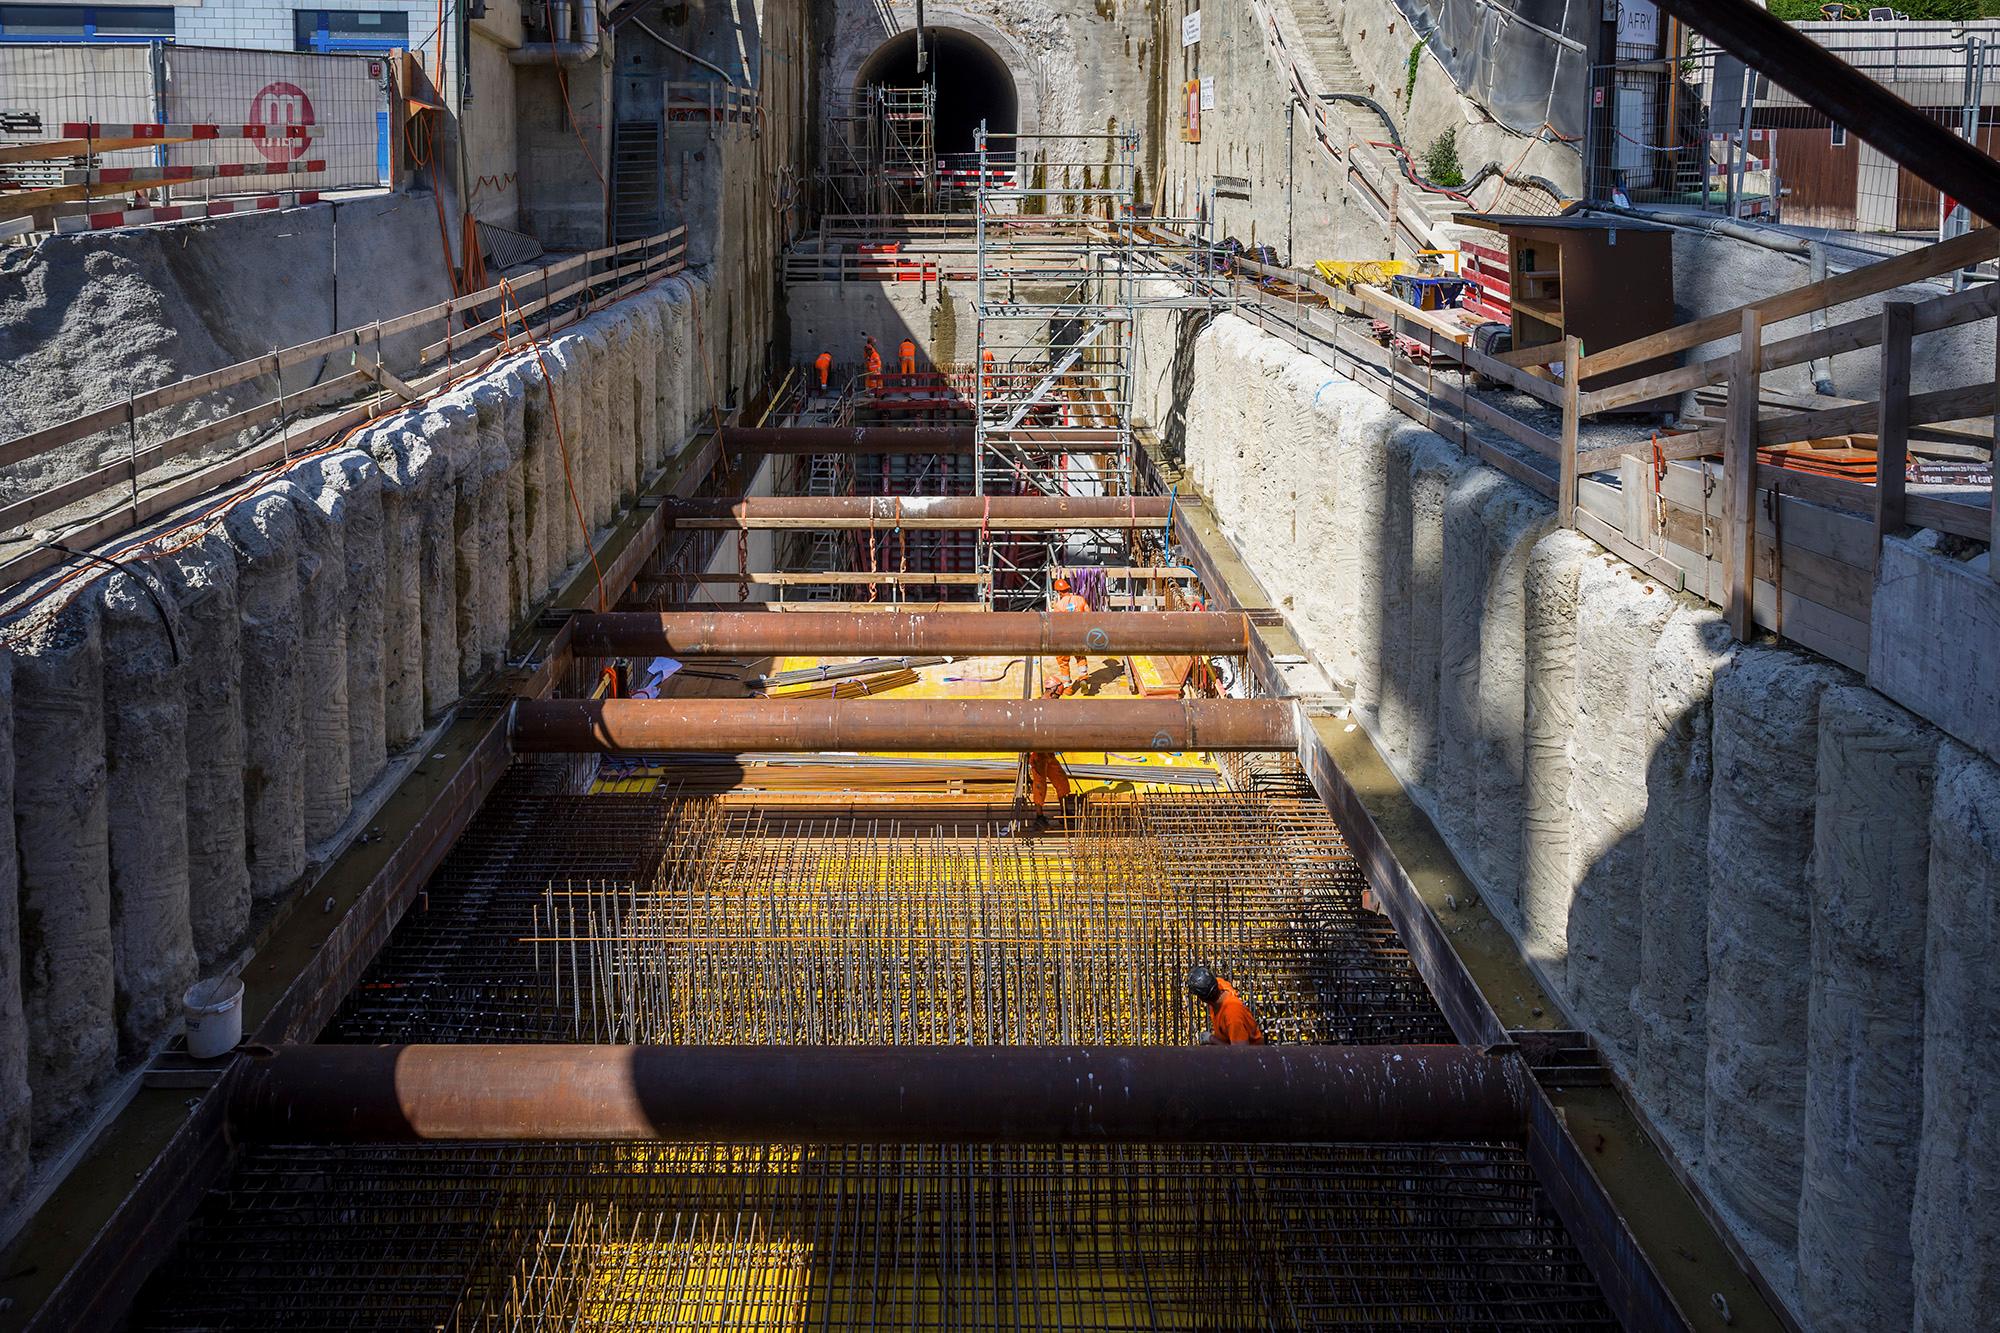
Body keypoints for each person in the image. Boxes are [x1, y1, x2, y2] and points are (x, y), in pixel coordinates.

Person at [1186, 964, 1264, 1045]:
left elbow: (1241, 1051)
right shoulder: (1220, 985)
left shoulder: (1232, 1014)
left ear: (1202, 999)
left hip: (1252, 1051)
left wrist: (1211, 1039)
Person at [1048, 574, 1090, 696]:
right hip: (1079, 636)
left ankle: (1068, 687)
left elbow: (1056, 625)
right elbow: (1089, 616)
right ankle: (1083, 677)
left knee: (1063, 662)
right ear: (1068, 588)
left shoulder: (1058, 606)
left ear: (1059, 592)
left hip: (1065, 637)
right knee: (1080, 657)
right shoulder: (1080, 600)